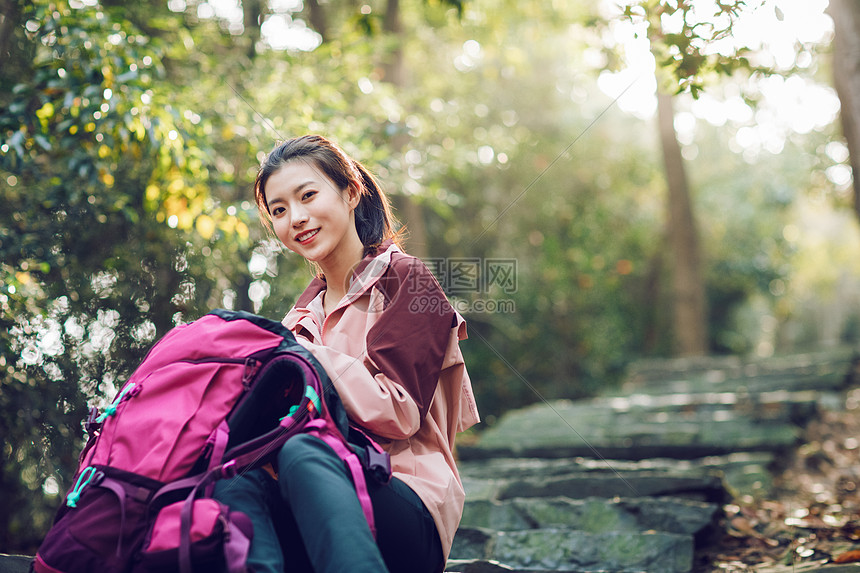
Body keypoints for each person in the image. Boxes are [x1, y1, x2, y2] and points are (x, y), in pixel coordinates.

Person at [214, 134, 480, 573]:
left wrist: (306, 355)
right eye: (279, 210)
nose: (296, 218)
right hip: (313, 507)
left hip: (407, 502)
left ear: (351, 192)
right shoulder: (297, 321)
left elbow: (399, 414)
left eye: (308, 196)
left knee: (303, 452)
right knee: (232, 483)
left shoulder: (406, 281)